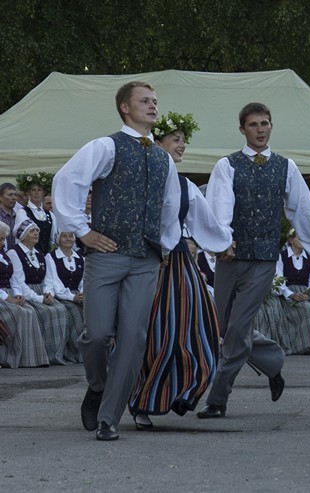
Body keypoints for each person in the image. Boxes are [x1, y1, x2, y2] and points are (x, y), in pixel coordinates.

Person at [52, 81, 181, 441]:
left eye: (155, 101)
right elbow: (67, 180)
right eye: (145, 101)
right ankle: (98, 386)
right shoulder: (106, 145)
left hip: (146, 260)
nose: (153, 106)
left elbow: (170, 208)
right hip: (105, 256)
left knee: (133, 338)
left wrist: (166, 245)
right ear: (125, 108)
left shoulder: (163, 159)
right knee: (95, 335)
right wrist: (82, 231)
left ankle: (110, 416)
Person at [197, 102, 310, 419]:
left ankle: (217, 399)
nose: (260, 129)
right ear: (242, 130)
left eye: (265, 123)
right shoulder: (227, 165)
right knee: (226, 326)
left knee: (236, 331)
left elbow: (303, 214)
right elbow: (219, 205)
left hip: (263, 260)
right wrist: (223, 240)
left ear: (271, 126)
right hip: (230, 258)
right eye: (253, 124)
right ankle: (272, 363)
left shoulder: (286, 167)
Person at [128, 112, 232, 430]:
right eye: (176, 140)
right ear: (157, 143)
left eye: (184, 141)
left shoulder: (187, 186)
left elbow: (207, 224)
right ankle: (142, 400)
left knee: (199, 332)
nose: (182, 146)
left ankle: (181, 391)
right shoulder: (138, 179)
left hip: (179, 265)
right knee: (153, 336)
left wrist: (225, 244)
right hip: (145, 263)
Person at [0, 221, 49, 368]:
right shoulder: (12, 253)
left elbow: (13, 278)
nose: (3, 243)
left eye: (3, 239)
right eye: (0, 239)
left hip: (9, 292)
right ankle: (12, 356)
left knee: (29, 311)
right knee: (18, 312)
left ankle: (30, 358)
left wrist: (18, 294)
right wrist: (8, 298)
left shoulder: (3, 255)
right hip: (2, 295)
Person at [45, 231, 85, 363]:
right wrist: (71, 296)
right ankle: (77, 353)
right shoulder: (51, 257)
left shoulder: (81, 258)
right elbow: (53, 282)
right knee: (76, 312)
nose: (68, 239)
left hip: (79, 295)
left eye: (71, 236)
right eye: (64, 236)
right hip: (61, 295)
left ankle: (91, 352)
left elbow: (85, 280)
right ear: (58, 239)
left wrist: (82, 294)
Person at [15, 175, 57, 255]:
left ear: (43, 193)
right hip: (28, 254)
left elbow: (53, 238)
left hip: (46, 256)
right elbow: (20, 236)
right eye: (33, 190)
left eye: (39, 190)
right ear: (28, 192)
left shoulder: (50, 215)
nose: (36, 193)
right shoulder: (23, 212)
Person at [0, 183, 18, 251]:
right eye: (10, 195)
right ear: (0, 197)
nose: (14, 198)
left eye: (15, 195)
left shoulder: (18, 216)